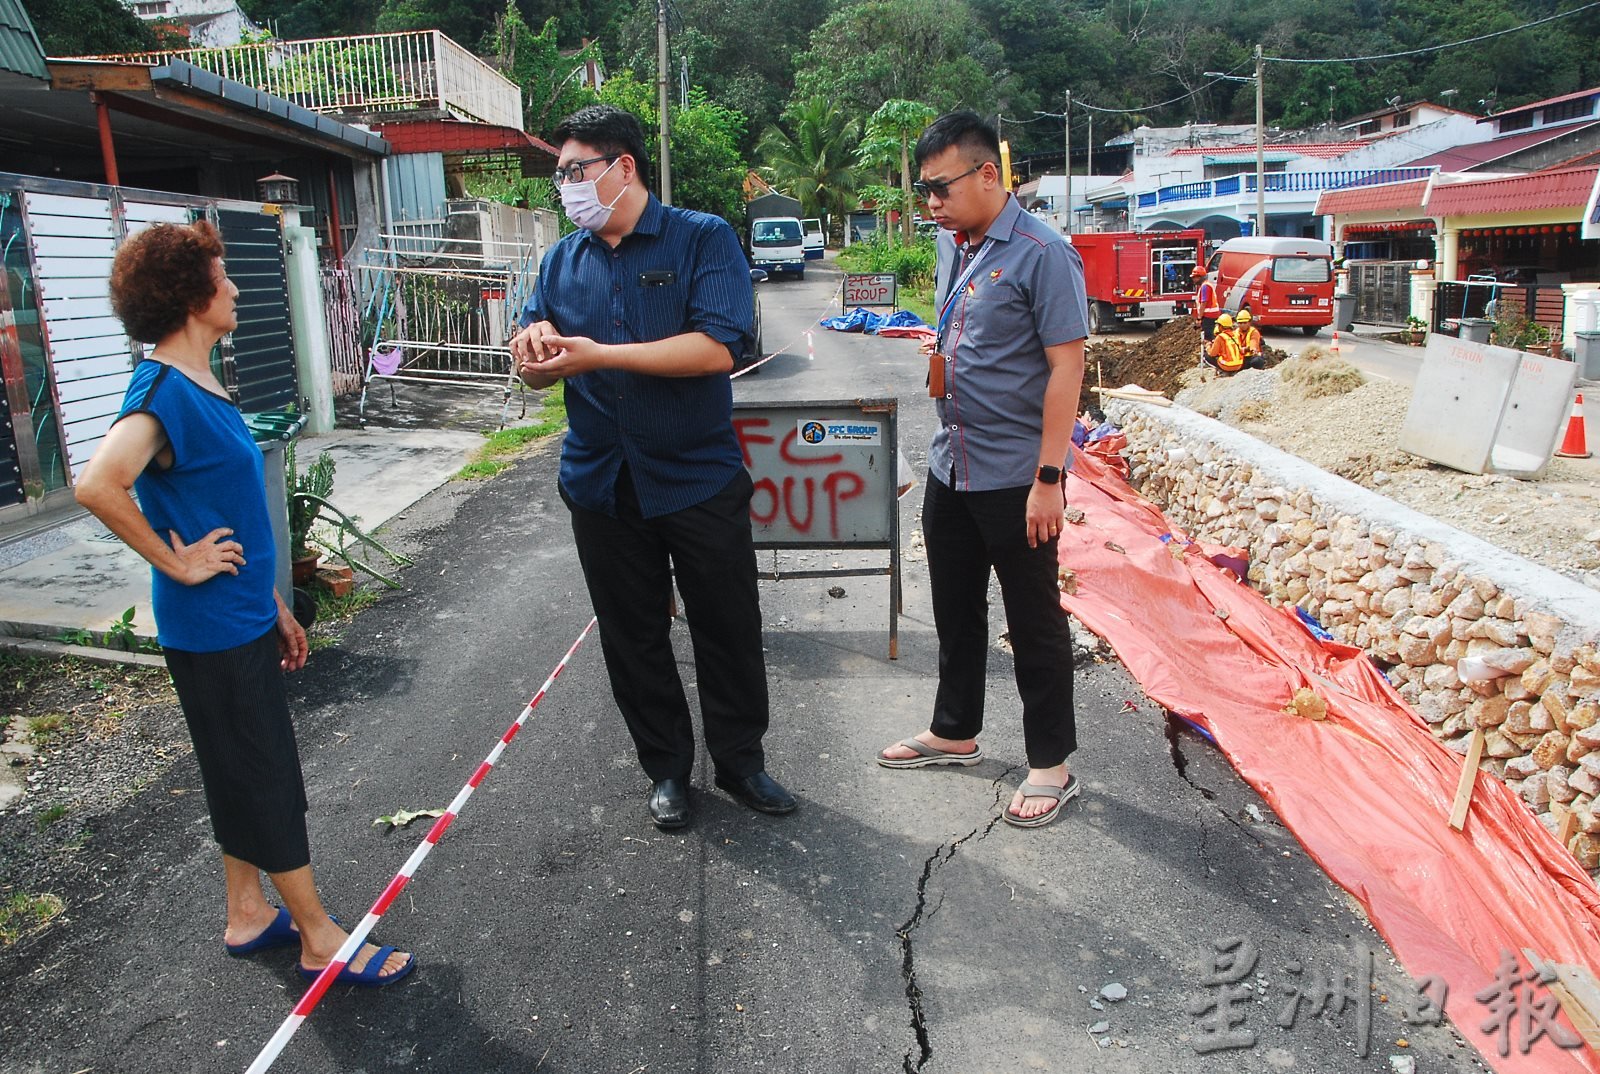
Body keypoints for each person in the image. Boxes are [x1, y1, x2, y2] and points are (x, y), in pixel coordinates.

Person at [75, 221, 413, 987]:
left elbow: (227, 505)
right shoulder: (161, 390)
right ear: (193, 296)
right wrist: (177, 562)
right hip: (210, 627)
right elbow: (97, 484)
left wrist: (276, 602)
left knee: (237, 766)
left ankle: (247, 911)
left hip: (242, 614)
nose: (233, 288)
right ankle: (320, 935)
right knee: (263, 774)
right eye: (223, 279)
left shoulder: (199, 382)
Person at [509, 104, 794, 831]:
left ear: (623, 167)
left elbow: (716, 349)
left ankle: (740, 761)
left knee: (726, 624)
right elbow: (539, 371)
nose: (566, 186)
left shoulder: (702, 239)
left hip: (696, 474)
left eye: (577, 170)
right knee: (630, 634)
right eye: (560, 173)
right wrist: (532, 354)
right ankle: (666, 767)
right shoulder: (559, 260)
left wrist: (599, 353)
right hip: (601, 481)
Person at [876, 111, 1088, 829]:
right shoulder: (951, 245)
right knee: (955, 608)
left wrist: (1049, 479)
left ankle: (1051, 764)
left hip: (1016, 476)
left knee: (1033, 623)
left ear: (987, 174)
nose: (931, 204)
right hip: (952, 465)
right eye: (924, 192)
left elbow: (1068, 369)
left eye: (940, 188)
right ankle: (955, 730)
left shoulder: (1043, 252)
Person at [1192, 266, 1221, 342]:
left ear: (1200, 277)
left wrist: (1199, 318)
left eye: (1195, 277)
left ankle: (1210, 352)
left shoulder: (1205, 286)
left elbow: (1204, 303)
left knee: (1209, 337)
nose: (1193, 279)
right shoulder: (1205, 285)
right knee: (1209, 336)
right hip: (1210, 315)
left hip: (1209, 316)